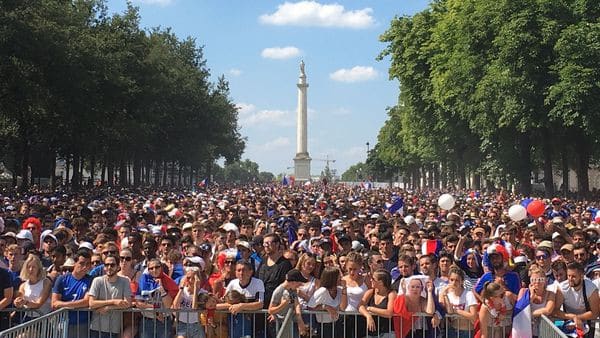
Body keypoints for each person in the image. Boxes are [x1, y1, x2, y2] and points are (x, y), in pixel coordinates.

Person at [51, 249, 93, 338]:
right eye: (81, 263)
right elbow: (54, 303)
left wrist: (64, 305)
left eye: (88, 264)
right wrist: (76, 304)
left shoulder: (91, 280)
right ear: (75, 263)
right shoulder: (62, 279)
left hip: (82, 323)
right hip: (62, 322)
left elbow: (86, 301)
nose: (85, 267)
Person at [88, 255, 132, 338]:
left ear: (118, 266)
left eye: (112, 265)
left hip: (114, 329)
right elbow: (91, 303)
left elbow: (127, 303)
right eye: (106, 265)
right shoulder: (97, 281)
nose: (109, 267)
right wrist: (113, 302)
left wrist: (108, 307)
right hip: (96, 328)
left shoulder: (125, 281)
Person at [219, 260, 265, 338]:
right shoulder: (232, 283)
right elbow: (225, 301)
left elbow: (260, 304)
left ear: (251, 272)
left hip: (256, 324)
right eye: (238, 270)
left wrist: (241, 306)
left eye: (244, 270)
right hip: (236, 325)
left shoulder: (258, 283)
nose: (241, 273)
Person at [554, 262, 599, 338]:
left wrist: (578, 318)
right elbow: (555, 310)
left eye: (573, 276)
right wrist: (573, 317)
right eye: (568, 276)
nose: (570, 279)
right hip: (568, 323)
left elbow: (595, 313)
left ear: (581, 276)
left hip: (587, 322)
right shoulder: (562, 288)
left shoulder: (591, 288)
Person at [136, 258, 178, 338]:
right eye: (151, 268)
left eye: (157, 267)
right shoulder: (143, 281)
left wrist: (161, 288)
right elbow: (138, 303)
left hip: (164, 321)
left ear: (161, 267)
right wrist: (156, 310)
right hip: (147, 321)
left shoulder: (168, 281)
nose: (154, 270)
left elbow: (169, 305)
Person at [268, 269, 308, 338]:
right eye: (298, 283)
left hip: (291, 322)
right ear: (293, 282)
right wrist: (282, 305)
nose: (299, 285)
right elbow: (270, 310)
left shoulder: (293, 290)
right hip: (279, 324)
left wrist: (300, 320)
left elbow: (296, 304)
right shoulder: (278, 291)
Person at [439, 266, 477, 338]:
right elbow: (448, 310)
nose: (454, 283)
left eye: (457, 280)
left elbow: (474, 316)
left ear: (462, 281)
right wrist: (444, 292)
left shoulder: (469, 294)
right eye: (452, 280)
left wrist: (457, 311)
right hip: (452, 331)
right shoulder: (449, 295)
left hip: (466, 332)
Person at [307, 267, 346, 337]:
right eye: (338, 276)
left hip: (337, 324)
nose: (341, 277)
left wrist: (344, 289)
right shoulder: (322, 291)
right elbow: (310, 307)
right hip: (324, 326)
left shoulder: (340, 290)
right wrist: (325, 307)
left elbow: (343, 308)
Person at [358, 269, 397, 338]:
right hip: (370, 333)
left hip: (386, 332)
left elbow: (389, 313)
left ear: (381, 282)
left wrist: (370, 308)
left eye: (373, 279)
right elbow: (360, 306)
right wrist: (368, 316)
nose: (370, 280)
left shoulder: (391, 294)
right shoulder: (370, 292)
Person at [13, 254, 52, 321]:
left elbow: (38, 304)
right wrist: (17, 302)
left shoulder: (46, 282)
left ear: (38, 269)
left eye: (34, 267)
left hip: (44, 318)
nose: (31, 269)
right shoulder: (23, 286)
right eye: (28, 267)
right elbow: (20, 303)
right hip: (28, 319)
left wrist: (25, 302)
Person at [172, 258, 205, 338]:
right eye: (188, 278)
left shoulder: (202, 293)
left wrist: (195, 289)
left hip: (196, 325)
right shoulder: (183, 291)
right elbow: (175, 306)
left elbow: (194, 308)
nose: (190, 281)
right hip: (182, 323)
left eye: (193, 278)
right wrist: (181, 288)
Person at [524, 265, 556, 338]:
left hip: (545, 332)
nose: (537, 282)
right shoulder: (525, 293)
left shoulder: (550, 294)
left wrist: (530, 314)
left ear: (544, 280)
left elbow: (548, 310)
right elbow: (522, 310)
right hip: (529, 332)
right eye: (534, 280)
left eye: (540, 279)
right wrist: (531, 296)